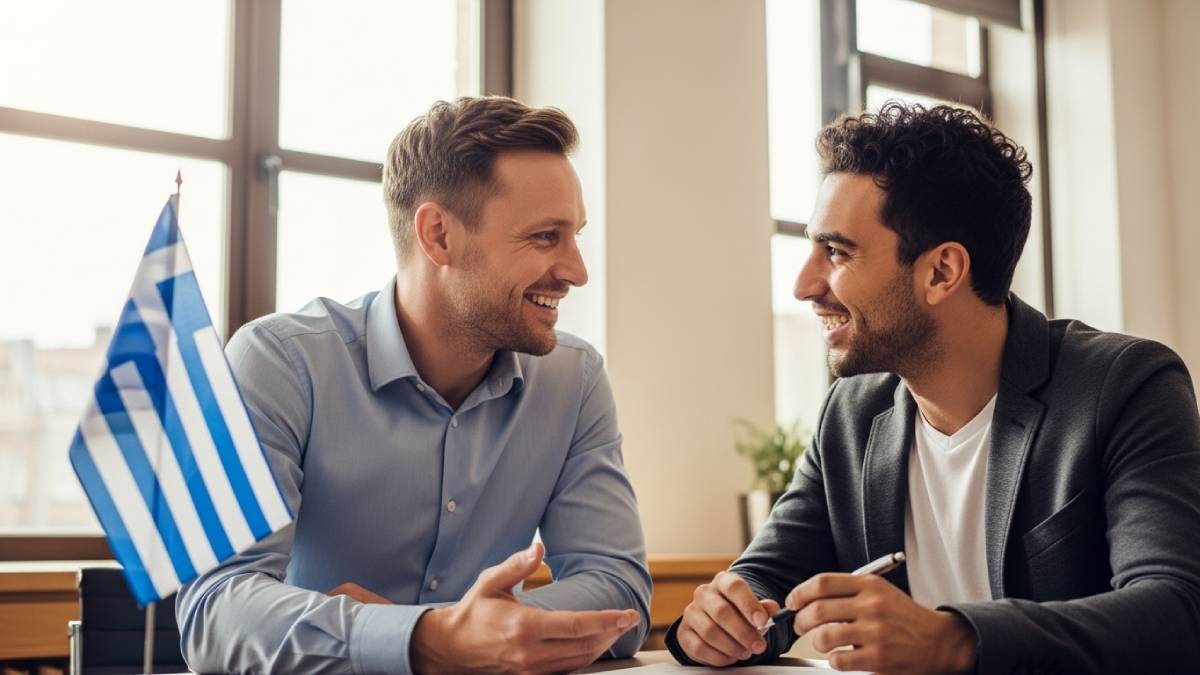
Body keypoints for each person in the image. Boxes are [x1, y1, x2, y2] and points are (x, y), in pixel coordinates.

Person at [668, 102, 1200, 674]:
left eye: (837, 252)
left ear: (942, 271)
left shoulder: (1125, 385)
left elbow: (1177, 613)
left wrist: (956, 640)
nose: (803, 285)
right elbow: (766, 577)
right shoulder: (852, 413)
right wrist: (721, 620)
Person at [176, 96, 651, 674]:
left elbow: (617, 586)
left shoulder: (574, 379)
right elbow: (215, 607)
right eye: (546, 237)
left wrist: (447, 635)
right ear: (438, 235)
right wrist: (435, 638)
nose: (577, 271)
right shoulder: (279, 362)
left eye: (574, 235)